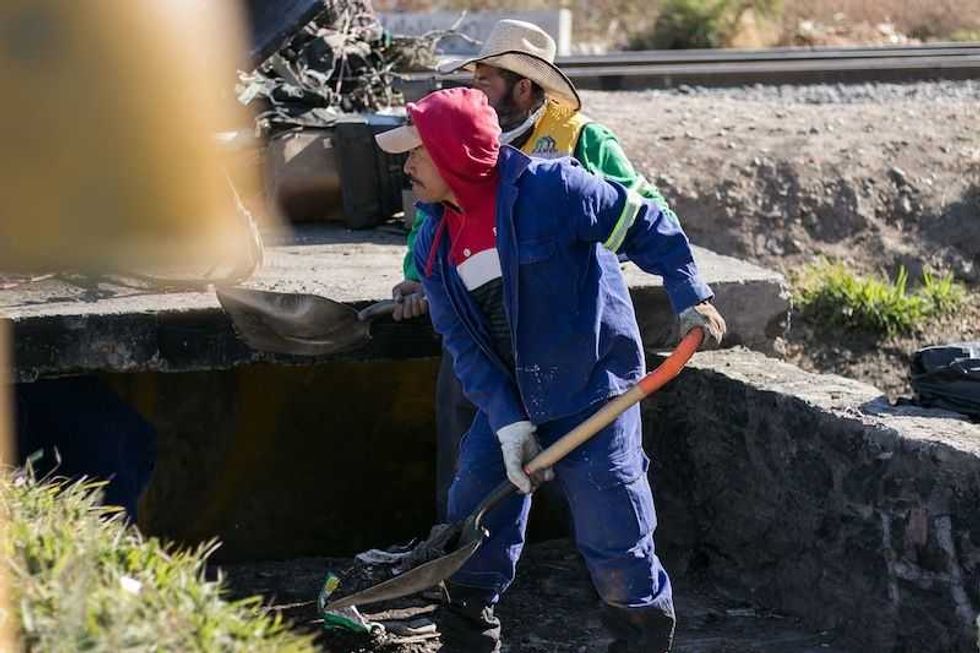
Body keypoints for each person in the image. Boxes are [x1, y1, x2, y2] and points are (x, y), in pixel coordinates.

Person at [375, 87, 726, 653]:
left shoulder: (552, 190)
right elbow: (465, 348)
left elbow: (642, 221)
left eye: (417, 152)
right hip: (513, 399)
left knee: (615, 530)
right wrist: (509, 424)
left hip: (592, 390)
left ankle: (640, 638)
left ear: (454, 155)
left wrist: (690, 293)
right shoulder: (436, 247)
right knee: (472, 513)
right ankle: (468, 635)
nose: (407, 165)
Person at [390, 19, 676, 520]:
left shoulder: (581, 142)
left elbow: (645, 212)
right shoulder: (456, 142)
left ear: (523, 87)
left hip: (563, 329)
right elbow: (433, 221)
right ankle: (457, 541)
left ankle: (578, 554)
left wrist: (581, 254)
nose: (474, 87)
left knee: (592, 468)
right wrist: (418, 276)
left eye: (485, 78)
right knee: (470, 428)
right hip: (487, 321)